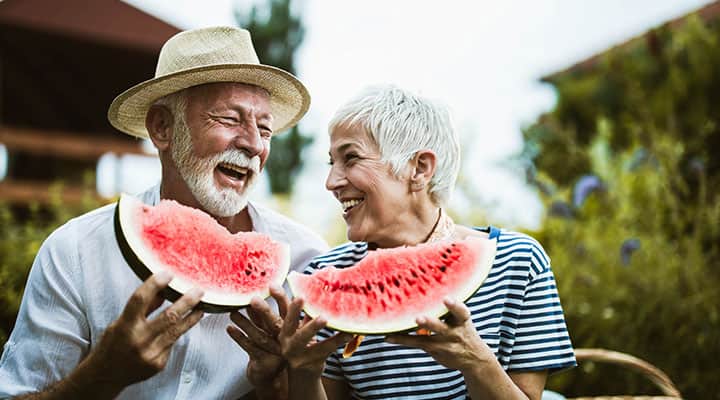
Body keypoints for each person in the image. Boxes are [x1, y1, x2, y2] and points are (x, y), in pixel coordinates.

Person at [0, 26, 328, 399]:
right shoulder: (75, 252)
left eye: (265, 129)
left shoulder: (306, 262)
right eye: (230, 119)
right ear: (162, 128)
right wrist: (100, 376)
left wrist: (277, 386)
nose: (254, 144)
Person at [237, 85, 577, 399]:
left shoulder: (517, 262)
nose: (331, 181)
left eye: (350, 158)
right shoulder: (325, 273)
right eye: (331, 162)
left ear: (420, 167)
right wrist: (304, 372)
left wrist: (477, 362)